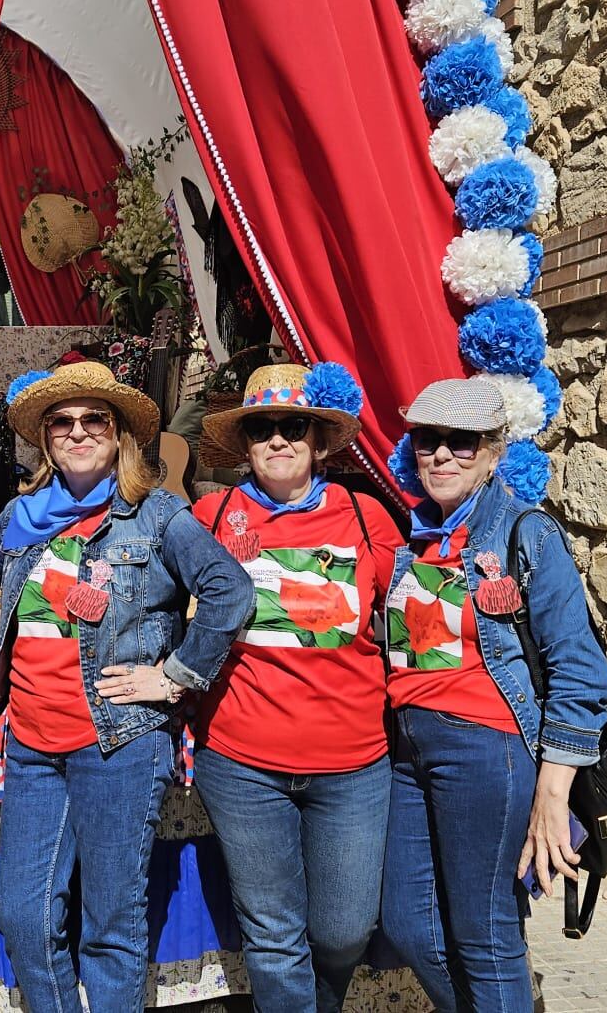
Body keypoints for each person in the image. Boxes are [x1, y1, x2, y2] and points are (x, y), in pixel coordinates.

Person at [0, 361, 252, 1013]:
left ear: (120, 432)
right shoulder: (20, 518)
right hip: (33, 747)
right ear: (44, 439)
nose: (77, 431)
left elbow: (230, 591)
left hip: (118, 744)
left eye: (94, 418)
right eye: (62, 422)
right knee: (25, 920)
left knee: (110, 928)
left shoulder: (156, 515)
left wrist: (175, 675)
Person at [377, 377, 607, 1012]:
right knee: (408, 923)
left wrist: (551, 792)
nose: (441, 455)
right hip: (408, 751)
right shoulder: (413, 539)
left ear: (492, 451)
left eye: (461, 441)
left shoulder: (525, 534)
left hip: (489, 754)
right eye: (428, 439)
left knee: (485, 936)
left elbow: (581, 671)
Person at [189, 363, 405, 1012]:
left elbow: (420, 623)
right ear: (245, 442)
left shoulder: (368, 519)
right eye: (263, 428)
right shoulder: (210, 516)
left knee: (343, 931)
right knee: (274, 936)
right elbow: (155, 604)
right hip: (241, 764)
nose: (278, 440)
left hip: (354, 766)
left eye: (294, 426)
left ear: (318, 440)